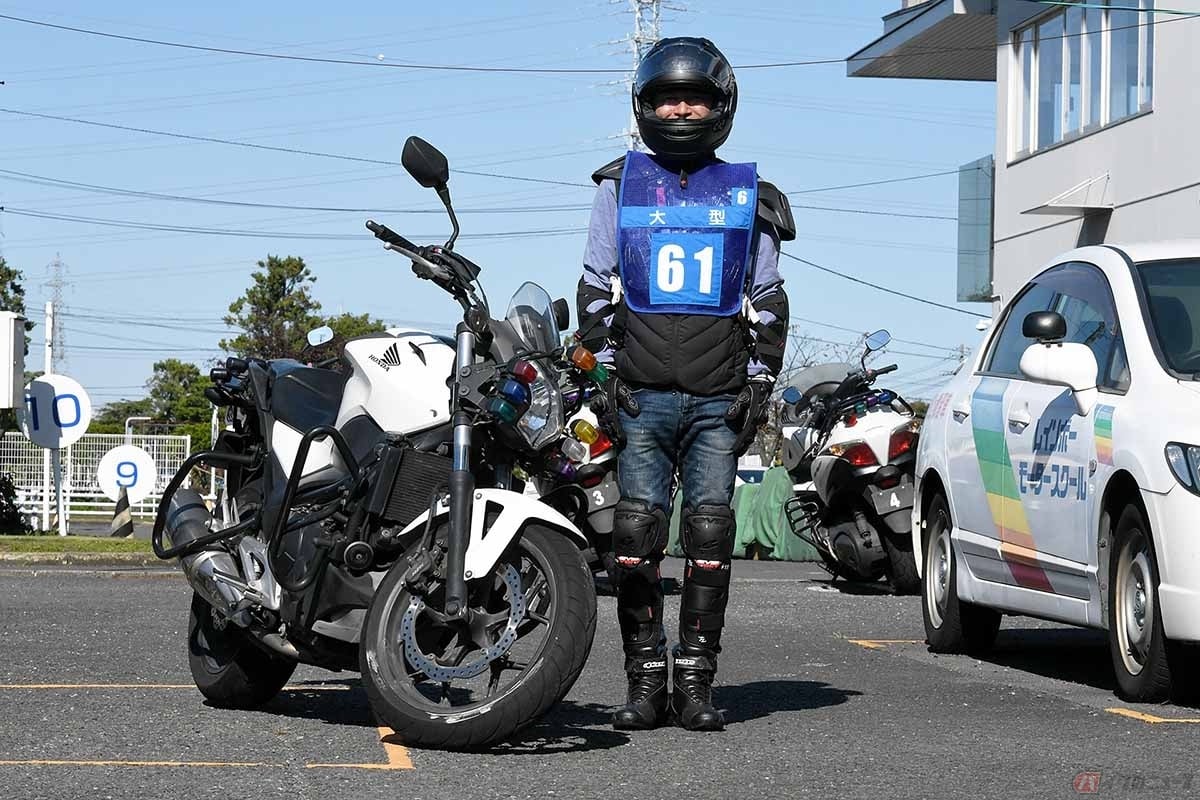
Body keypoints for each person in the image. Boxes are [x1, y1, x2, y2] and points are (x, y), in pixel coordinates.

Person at [575, 36, 794, 732]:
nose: (680, 107)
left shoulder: (751, 196)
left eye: (694, 96)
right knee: (634, 537)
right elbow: (591, 290)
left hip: (714, 399)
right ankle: (644, 683)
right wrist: (604, 374)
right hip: (641, 395)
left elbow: (769, 301)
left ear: (720, 105)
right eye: (667, 95)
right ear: (644, 105)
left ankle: (696, 685)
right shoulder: (619, 185)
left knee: (708, 536)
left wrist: (758, 384)